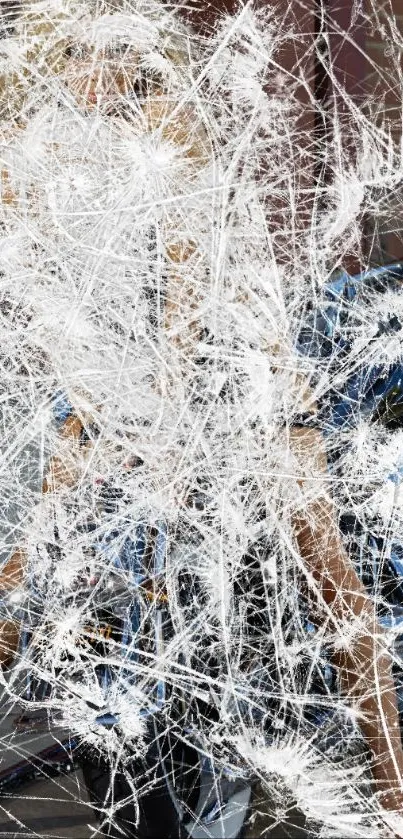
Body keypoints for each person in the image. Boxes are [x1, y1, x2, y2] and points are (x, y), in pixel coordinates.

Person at [0, 2, 402, 834]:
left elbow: (192, 298)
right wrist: (102, 418)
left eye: (119, 52)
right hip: (111, 380)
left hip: (231, 375)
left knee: (329, 580)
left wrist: (162, 428)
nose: (98, 71)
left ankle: (393, 789)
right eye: (78, 49)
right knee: (25, 563)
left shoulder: (167, 130)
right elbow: (40, 296)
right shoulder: (27, 143)